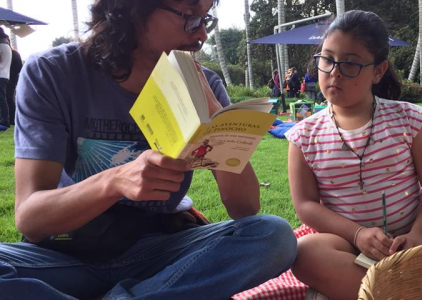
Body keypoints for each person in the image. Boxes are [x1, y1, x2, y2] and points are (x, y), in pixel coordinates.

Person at [2, 1, 296, 299]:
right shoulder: (53, 73)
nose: (203, 34)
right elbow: (31, 218)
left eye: (205, 18)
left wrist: (219, 121)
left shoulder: (204, 84)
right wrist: (114, 181)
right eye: (191, 18)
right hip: (65, 254)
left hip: (159, 253)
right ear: (133, 10)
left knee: (273, 236)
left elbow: (245, 210)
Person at [284, 10, 422, 299]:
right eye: (328, 59)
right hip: (348, 246)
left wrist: (419, 235)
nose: (334, 72)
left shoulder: (409, 120)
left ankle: (392, 289)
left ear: (378, 71)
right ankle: (412, 290)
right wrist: (357, 234)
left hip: (417, 237)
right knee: (305, 253)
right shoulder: (304, 136)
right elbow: (306, 205)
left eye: (351, 65)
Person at [7, 40, 22, 126]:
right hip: (12, 78)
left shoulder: (14, 54)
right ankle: (12, 118)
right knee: (9, 98)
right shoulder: (15, 53)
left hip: (11, 78)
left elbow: (19, 67)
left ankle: (12, 118)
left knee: (9, 98)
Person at [0, 27, 11, 131]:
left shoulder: (1, 46)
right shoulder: (7, 46)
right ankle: (4, 120)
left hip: (1, 74)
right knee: (3, 98)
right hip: (5, 75)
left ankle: (4, 121)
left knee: (1, 99)